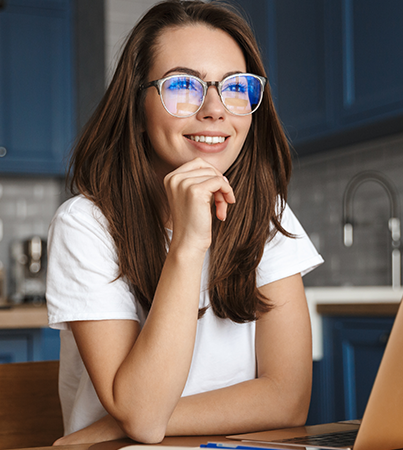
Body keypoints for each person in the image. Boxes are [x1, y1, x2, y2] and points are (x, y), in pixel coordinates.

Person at [46, 0, 323, 445]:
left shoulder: (263, 211)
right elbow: (142, 413)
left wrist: (117, 423)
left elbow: (288, 401)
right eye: (182, 86)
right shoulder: (85, 225)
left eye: (235, 87)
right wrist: (189, 244)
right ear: (136, 108)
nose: (215, 109)